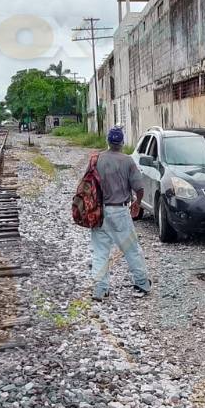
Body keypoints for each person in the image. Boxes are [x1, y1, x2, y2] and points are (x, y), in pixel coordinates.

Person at [89, 126, 151, 301]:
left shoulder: (97, 159)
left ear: (108, 141)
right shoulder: (128, 161)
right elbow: (139, 188)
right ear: (122, 143)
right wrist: (137, 204)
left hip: (99, 211)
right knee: (131, 249)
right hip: (120, 211)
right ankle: (141, 283)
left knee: (100, 251)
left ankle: (100, 290)